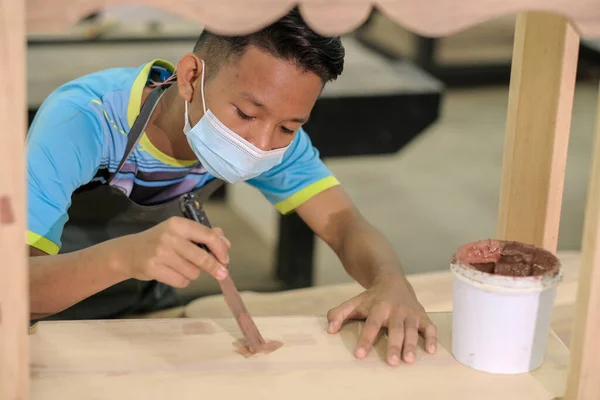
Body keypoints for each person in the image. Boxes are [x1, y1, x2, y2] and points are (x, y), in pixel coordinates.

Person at [26, 8, 437, 366]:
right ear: (190, 77)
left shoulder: (274, 141)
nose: (260, 145)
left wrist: (390, 282)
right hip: (47, 326)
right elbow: (14, 291)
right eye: (245, 113)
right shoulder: (83, 122)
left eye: (289, 127)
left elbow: (344, 223)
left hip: (147, 316)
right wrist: (123, 258)